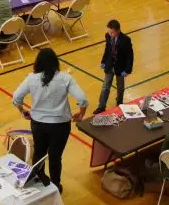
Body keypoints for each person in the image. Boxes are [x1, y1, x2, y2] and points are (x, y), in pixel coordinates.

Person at [12, 48, 88, 194]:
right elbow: (82, 99)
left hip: (38, 124)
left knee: (39, 153)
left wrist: (22, 111)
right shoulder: (66, 78)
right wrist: (81, 114)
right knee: (55, 156)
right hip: (60, 126)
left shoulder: (31, 78)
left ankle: (40, 180)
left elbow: (16, 98)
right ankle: (56, 186)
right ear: (55, 63)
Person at [95, 19, 133, 114]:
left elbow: (130, 56)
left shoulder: (126, 40)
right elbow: (107, 48)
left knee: (120, 87)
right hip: (109, 65)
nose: (109, 34)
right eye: (109, 31)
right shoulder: (108, 35)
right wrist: (103, 61)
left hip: (120, 68)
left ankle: (119, 103)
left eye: (112, 32)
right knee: (105, 86)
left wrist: (128, 70)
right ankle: (101, 106)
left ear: (118, 30)